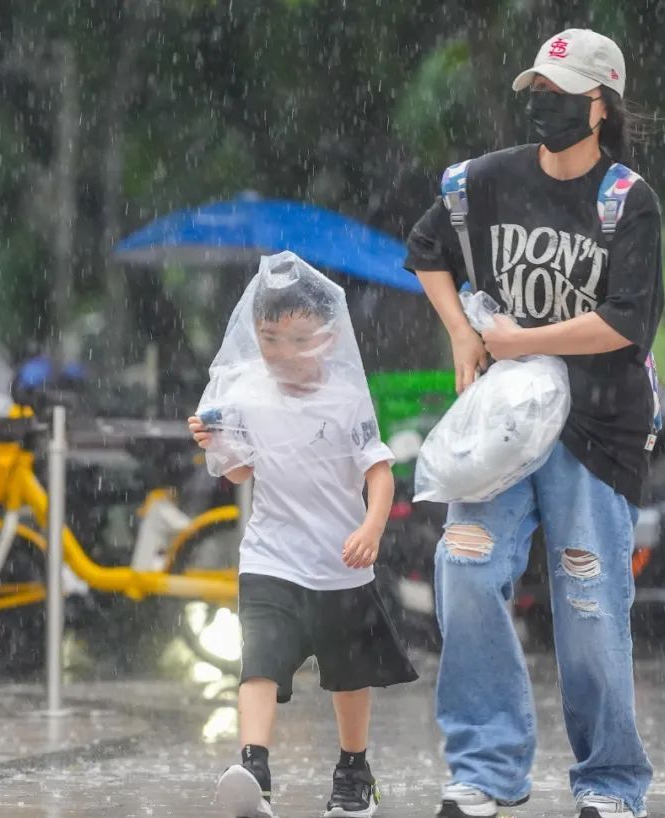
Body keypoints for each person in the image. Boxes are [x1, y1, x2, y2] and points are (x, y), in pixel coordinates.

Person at [403, 29, 663, 818]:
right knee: (467, 571)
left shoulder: (628, 200)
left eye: (561, 96)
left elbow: (626, 323)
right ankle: (486, 769)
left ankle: (611, 785)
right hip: (507, 426)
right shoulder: (483, 182)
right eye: (536, 94)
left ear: (600, 105)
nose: (543, 108)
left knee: (587, 603)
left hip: (599, 425)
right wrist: (460, 332)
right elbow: (425, 248)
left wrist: (521, 340)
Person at [189, 251, 418, 818]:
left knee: (347, 676)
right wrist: (213, 444)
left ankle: (353, 771)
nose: (282, 354)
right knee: (259, 662)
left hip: (340, 561)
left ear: (328, 338)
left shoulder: (346, 398)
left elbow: (380, 472)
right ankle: (253, 769)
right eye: (269, 339)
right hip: (270, 558)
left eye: (298, 340)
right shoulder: (244, 391)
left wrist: (371, 526)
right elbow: (242, 470)